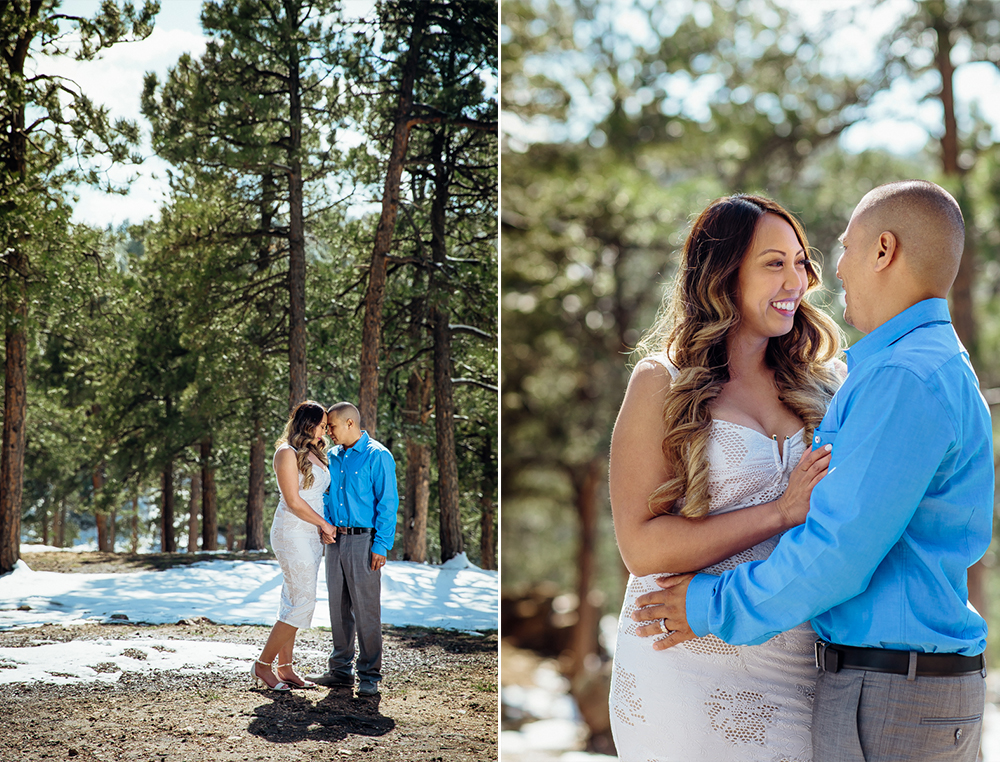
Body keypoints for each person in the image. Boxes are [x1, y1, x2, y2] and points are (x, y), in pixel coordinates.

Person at [634, 180, 994, 762]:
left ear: (884, 251)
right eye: (778, 263)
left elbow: (838, 553)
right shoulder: (900, 368)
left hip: (888, 689)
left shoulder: (901, 377)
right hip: (860, 681)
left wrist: (707, 605)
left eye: (841, 250)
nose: (824, 276)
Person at [609, 194, 843, 761]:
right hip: (684, 663)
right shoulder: (660, 381)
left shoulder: (828, 378)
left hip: (803, 664)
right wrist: (779, 512)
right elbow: (641, 547)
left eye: (800, 261)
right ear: (722, 274)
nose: (797, 279)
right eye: (773, 263)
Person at [307, 402, 399, 697]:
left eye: (331, 426)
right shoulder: (331, 456)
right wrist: (325, 527)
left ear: (349, 423)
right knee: (338, 608)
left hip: (365, 541)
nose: (328, 432)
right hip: (334, 541)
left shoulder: (378, 456)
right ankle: (340, 671)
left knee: (366, 610)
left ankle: (370, 674)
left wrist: (381, 545)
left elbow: (387, 504)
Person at [252, 400, 338, 691]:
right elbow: (293, 500)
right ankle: (263, 665)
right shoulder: (285, 453)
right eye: (321, 425)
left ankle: (286, 668)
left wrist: (322, 526)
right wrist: (324, 524)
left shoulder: (313, 452)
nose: (324, 431)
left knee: (292, 599)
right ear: (307, 423)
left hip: (311, 533)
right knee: (302, 601)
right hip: (292, 532)